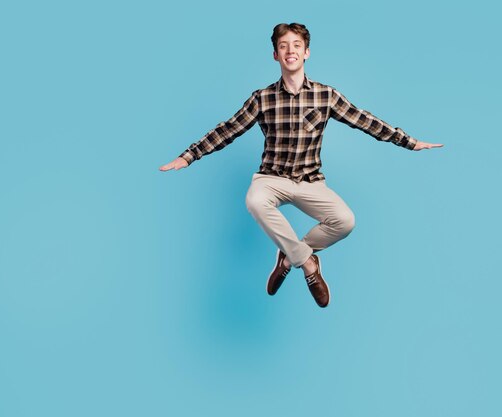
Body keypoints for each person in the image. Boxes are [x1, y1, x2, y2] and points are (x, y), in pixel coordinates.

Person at [159, 22, 443, 308]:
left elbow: (364, 121)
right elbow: (228, 129)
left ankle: (289, 255)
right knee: (255, 201)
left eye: (296, 45)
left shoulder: (326, 96)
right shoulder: (262, 98)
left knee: (345, 221)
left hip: (310, 181)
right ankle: (308, 264)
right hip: (272, 178)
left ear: (306, 53)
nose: (290, 50)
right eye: (283, 46)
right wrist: (189, 155)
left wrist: (408, 141)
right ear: (276, 56)